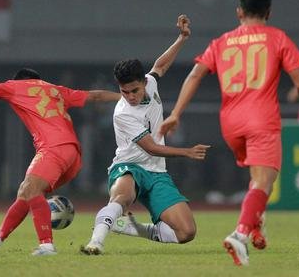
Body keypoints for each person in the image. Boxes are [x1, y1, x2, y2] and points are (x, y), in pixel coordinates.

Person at [160, 0, 299, 266]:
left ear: (239, 12)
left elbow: (195, 74)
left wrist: (176, 113)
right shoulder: (277, 38)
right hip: (262, 118)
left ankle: (258, 225)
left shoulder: (222, 42)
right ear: (269, 13)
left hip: (230, 123)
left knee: (260, 178)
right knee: (265, 181)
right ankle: (240, 234)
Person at [0, 69, 121, 256]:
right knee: (26, 193)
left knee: (32, 190)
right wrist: (124, 98)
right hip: (73, 154)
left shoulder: (15, 86)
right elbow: (95, 96)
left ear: (19, 79)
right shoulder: (56, 90)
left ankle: (46, 245)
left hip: (53, 147)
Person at [80, 15, 210, 255]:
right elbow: (151, 147)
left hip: (157, 172)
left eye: (134, 90)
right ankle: (95, 243)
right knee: (123, 197)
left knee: (186, 233)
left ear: (143, 82)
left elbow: (160, 66)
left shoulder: (151, 82)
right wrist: (186, 152)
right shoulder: (122, 113)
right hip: (129, 166)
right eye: (124, 91)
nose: (129, 96)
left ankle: (130, 227)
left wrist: (181, 38)